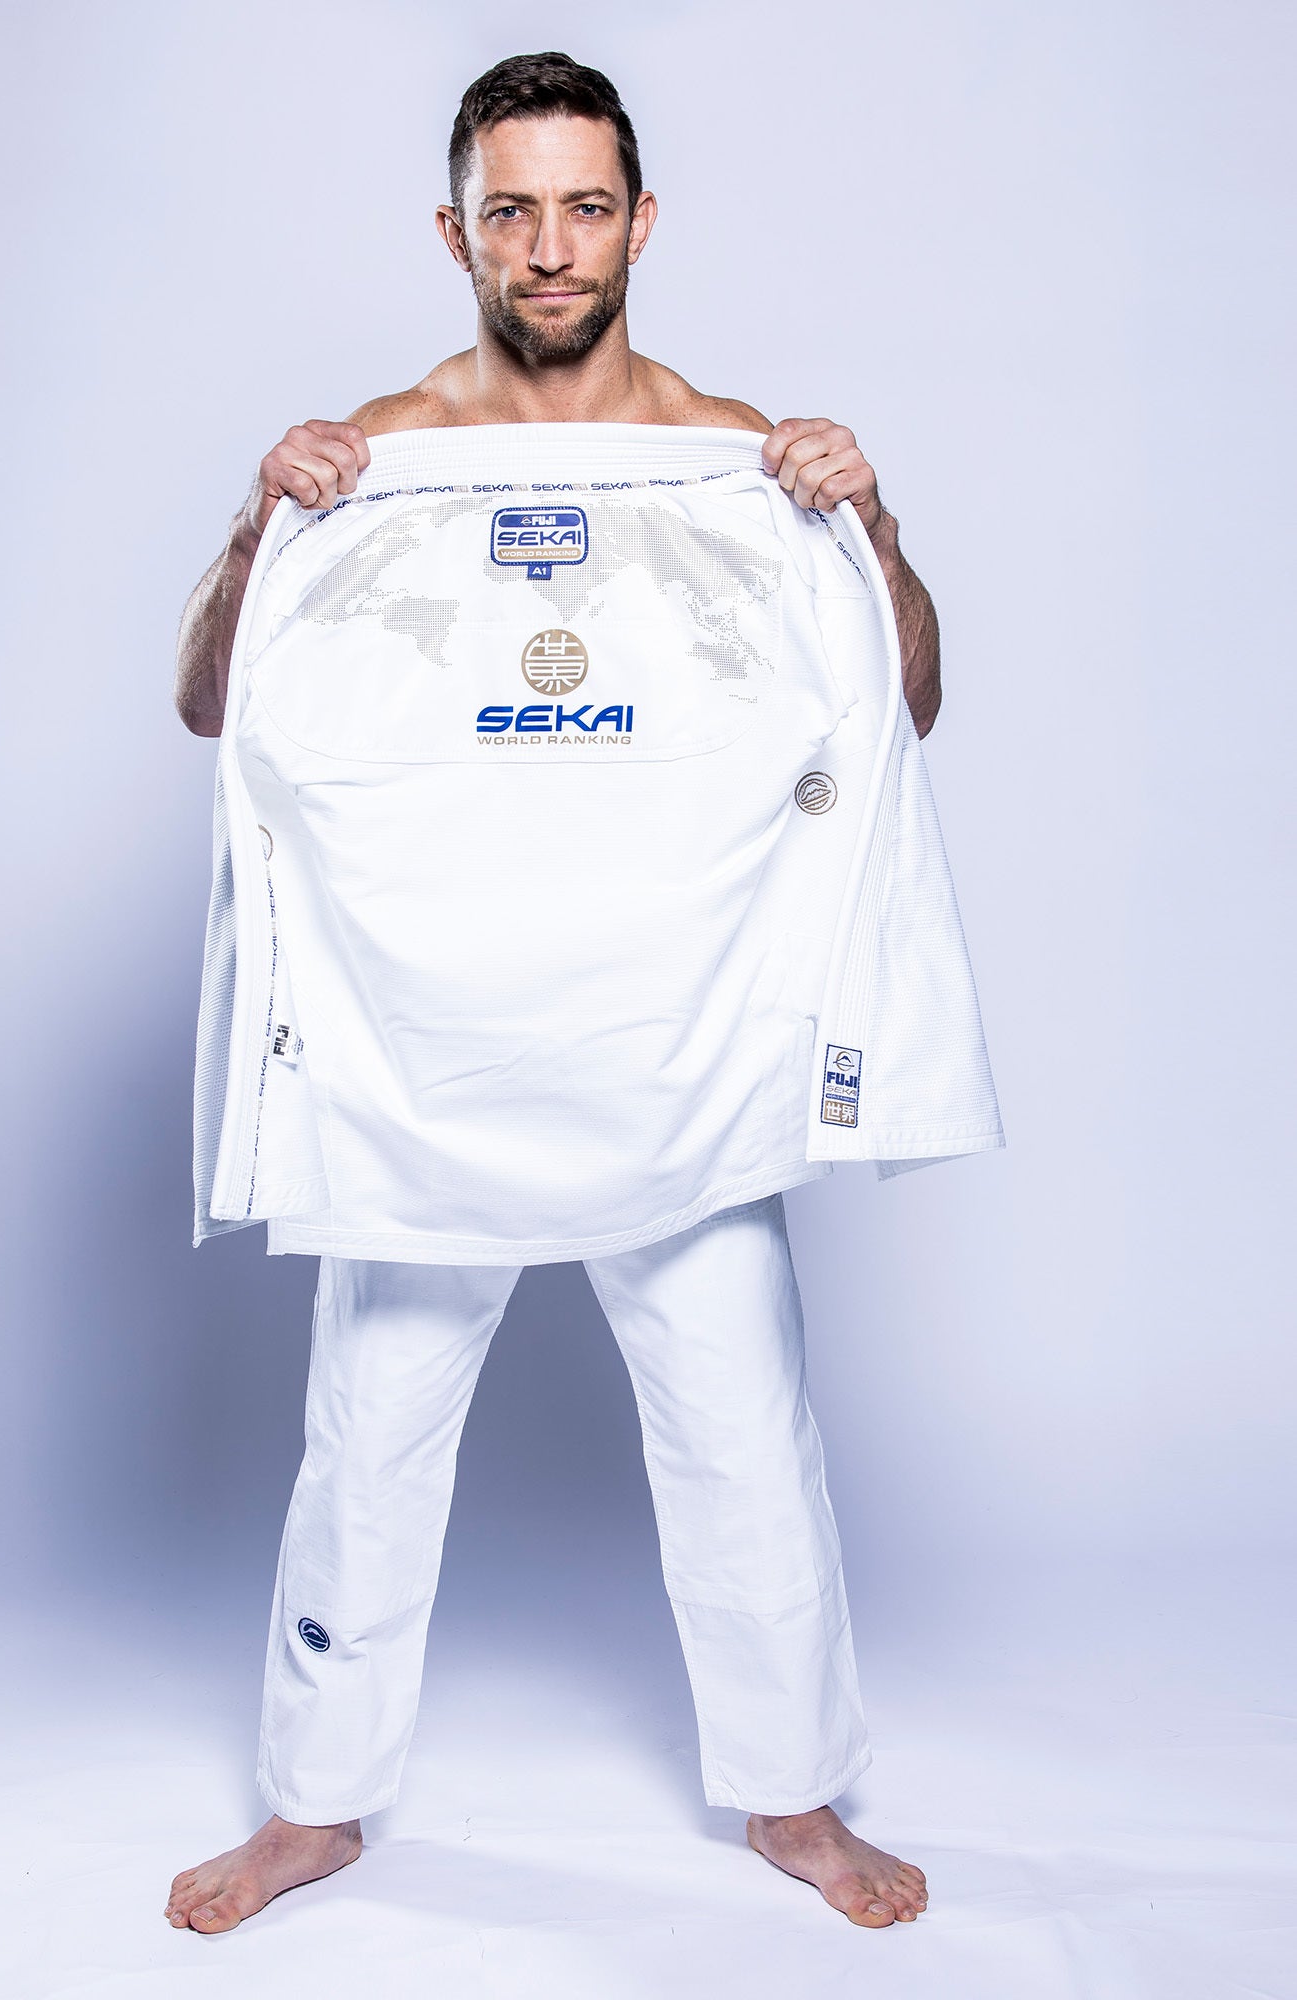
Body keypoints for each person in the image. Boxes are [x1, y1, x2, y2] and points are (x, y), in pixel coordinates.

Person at [167, 51, 942, 1935]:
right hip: (434, 1049)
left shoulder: (737, 452)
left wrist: (872, 530)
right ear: (456, 232)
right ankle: (315, 1806)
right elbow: (213, 700)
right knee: (369, 1425)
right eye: (509, 208)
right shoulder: (380, 453)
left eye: (584, 204)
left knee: (746, 1426)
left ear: (642, 223)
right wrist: (266, 530)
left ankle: (794, 1800)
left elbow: (901, 700)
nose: (549, 244)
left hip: (668, 1046)